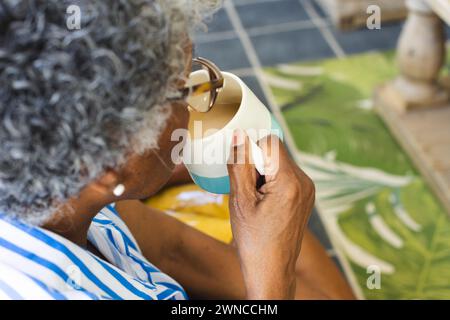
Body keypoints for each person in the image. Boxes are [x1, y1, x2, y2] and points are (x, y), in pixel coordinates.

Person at [0, 0, 354, 299]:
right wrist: (273, 282)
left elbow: (173, 247)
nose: (198, 102)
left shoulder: (69, 194)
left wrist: (269, 253)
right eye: (183, 91)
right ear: (110, 168)